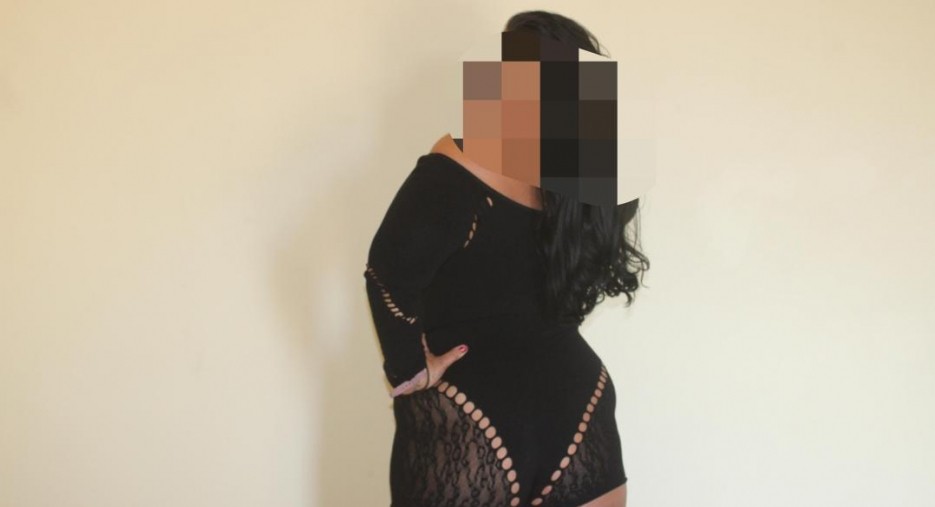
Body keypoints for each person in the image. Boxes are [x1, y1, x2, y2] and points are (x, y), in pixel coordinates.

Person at [363, 10, 649, 507]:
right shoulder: (577, 190)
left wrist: (408, 369)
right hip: (579, 405)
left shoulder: (460, 161)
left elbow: (387, 273)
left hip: (466, 417)